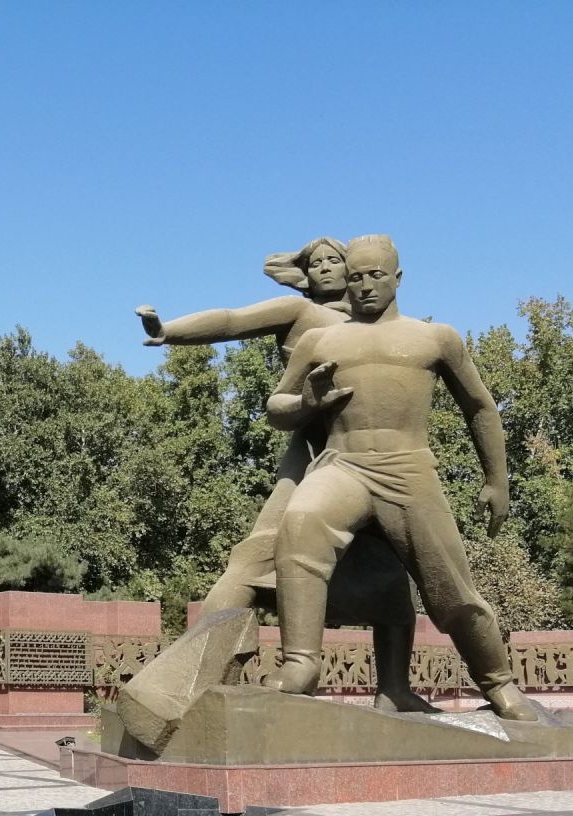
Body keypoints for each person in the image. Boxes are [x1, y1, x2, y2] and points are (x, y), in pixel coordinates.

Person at [135, 238, 431, 713]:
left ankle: (394, 688)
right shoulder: (301, 315)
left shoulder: (386, 326)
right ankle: (198, 678)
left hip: (383, 466)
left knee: (391, 579)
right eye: (316, 263)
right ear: (303, 275)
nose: (327, 268)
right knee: (255, 561)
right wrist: (168, 331)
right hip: (314, 460)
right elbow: (231, 321)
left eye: (336, 260)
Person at [266, 235, 540, 721]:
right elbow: (277, 407)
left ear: (397, 277)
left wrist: (497, 480)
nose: (365, 286)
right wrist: (306, 402)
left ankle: (498, 683)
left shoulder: (434, 338)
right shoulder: (319, 340)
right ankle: (301, 663)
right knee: (300, 523)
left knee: (450, 586)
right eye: (355, 277)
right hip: (343, 464)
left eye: (375, 275)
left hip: (408, 470)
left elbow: (479, 407)